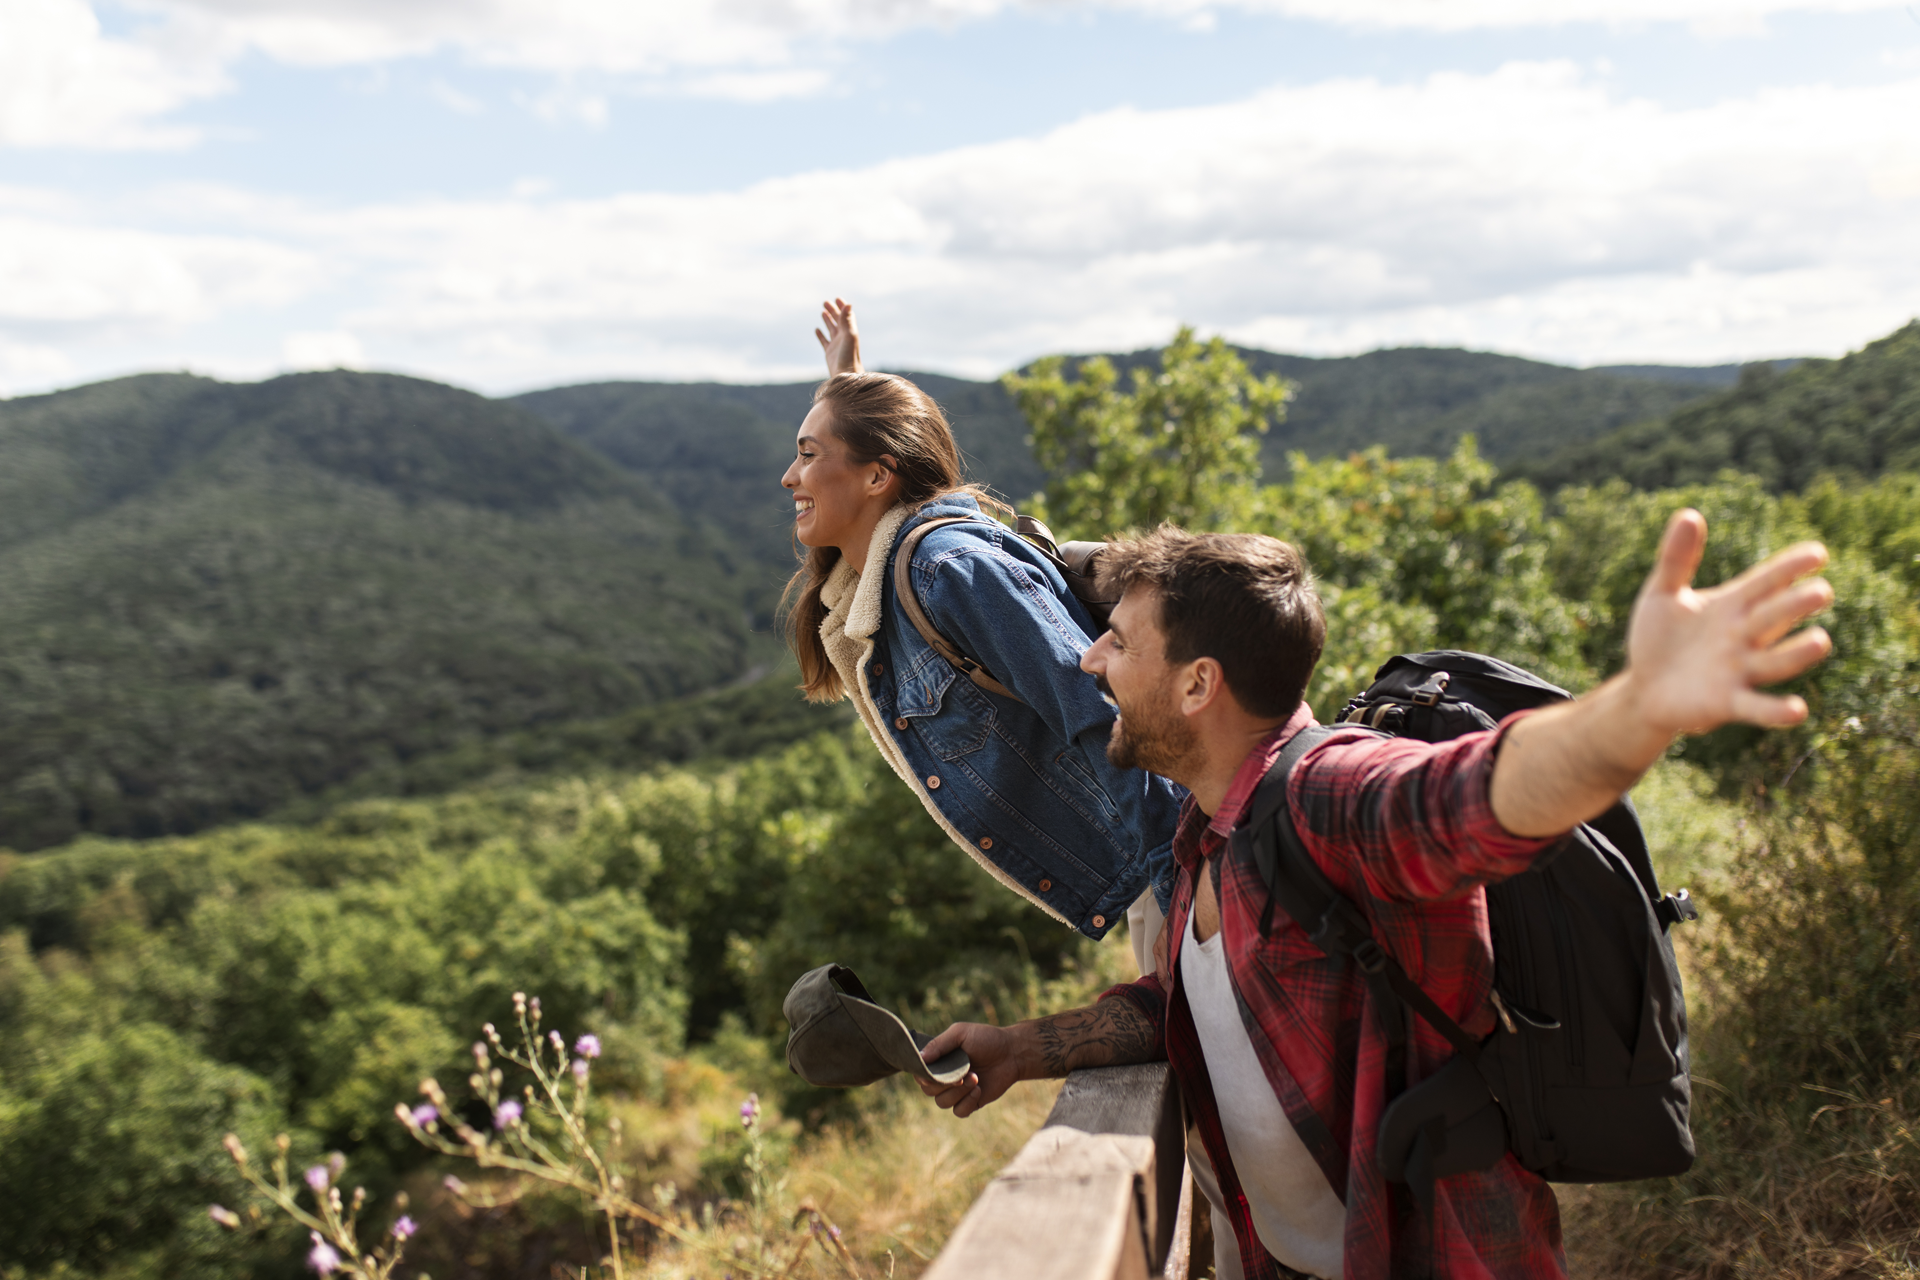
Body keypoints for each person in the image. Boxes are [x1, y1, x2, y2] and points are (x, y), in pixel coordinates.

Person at [914, 516, 1834, 1279]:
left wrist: (1641, 708)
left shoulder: (1329, 794)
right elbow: (1199, 999)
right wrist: (1027, 1047)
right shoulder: (1205, 831)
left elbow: (1479, 796)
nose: (1089, 661)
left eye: (1119, 641)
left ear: (1199, 683)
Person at [780, 297, 1184, 947]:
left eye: (807, 453)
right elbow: (867, 484)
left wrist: (1183, 882)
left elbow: (1099, 712)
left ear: (880, 474)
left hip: (1169, 862)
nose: (788, 476)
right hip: (1151, 871)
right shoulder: (877, 583)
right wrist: (846, 378)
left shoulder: (951, 571)